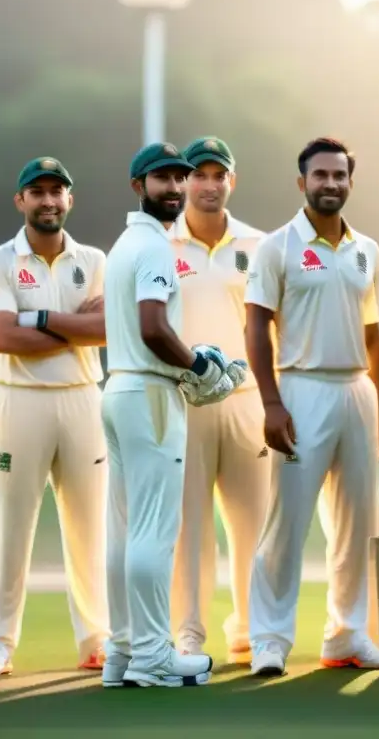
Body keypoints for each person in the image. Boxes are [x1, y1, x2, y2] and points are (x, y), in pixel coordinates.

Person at [244, 137, 379, 678]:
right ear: (302, 182)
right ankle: (269, 637)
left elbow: (375, 334)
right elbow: (256, 326)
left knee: (357, 522)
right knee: (286, 522)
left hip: (356, 389)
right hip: (300, 388)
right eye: (320, 175)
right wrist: (270, 401)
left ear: (350, 182)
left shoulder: (367, 250)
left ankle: (346, 632)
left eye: (339, 175)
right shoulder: (277, 246)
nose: (330, 184)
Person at [101, 142, 247, 688]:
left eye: (179, 178)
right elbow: (154, 328)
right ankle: (152, 655)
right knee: (154, 530)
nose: (176, 188)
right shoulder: (156, 247)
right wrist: (200, 369)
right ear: (139, 186)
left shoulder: (123, 245)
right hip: (151, 393)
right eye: (162, 179)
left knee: (124, 530)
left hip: (121, 389)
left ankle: (122, 652)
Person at [0, 157, 109, 676]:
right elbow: (1, 337)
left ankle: (97, 638)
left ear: (69, 200)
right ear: (21, 201)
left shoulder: (94, 260)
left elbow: (108, 332)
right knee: (8, 522)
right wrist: (76, 324)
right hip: (19, 398)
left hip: (81, 396)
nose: (48, 200)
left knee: (90, 522)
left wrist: (42, 320)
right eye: (38, 192)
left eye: (57, 191)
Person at [169, 137, 270, 664]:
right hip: (185, 400)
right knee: (189, 525)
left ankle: (253, 631)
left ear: (232, 180)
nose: (208, 185)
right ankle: (189, 633)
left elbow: (280, 328)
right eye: (198, 175)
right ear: (183, 181)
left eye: (218, 175)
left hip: (247, 398)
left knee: (252, 521)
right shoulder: (161, 243)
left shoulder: (259, 244)